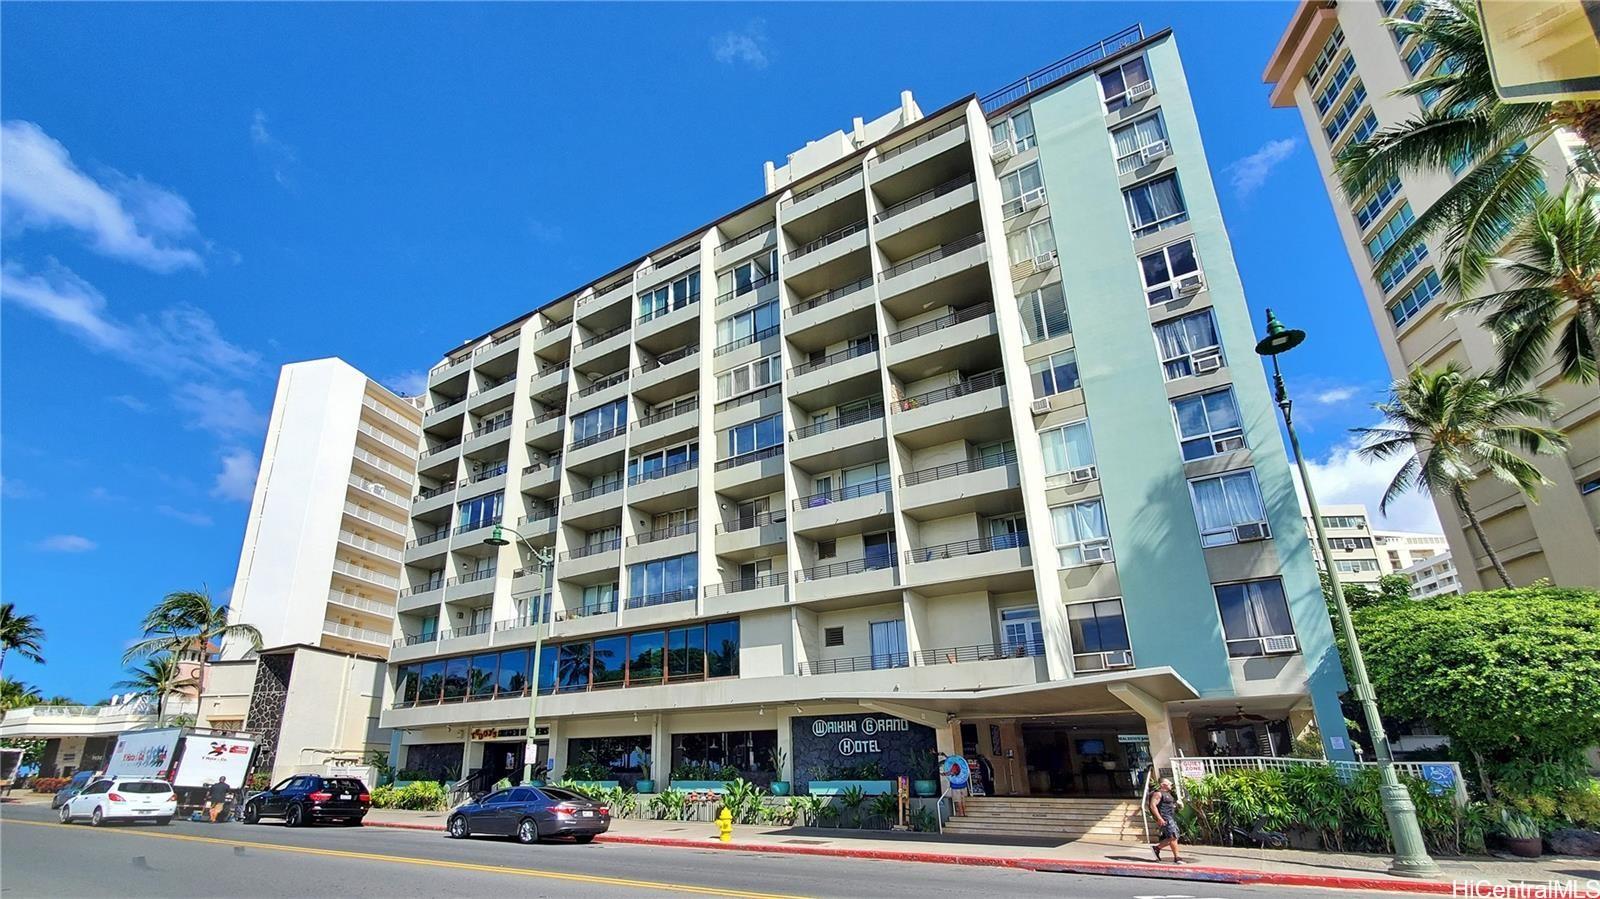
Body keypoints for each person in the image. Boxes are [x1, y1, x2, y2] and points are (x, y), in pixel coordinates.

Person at [1149, 777, 1184, 863]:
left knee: (1174, 836)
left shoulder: (1168, 794)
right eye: (1169, 784)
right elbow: (1152, 806)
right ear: (1162, 785)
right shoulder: (1158, 793)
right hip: (1165, 817)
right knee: (1172, 837)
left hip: (1170, 817)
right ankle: (1177, 857)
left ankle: (1157, 848)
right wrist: (1159, 818)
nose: (1171, 785)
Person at [938, 752, 971, 816]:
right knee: (963, 799)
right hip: (963, 784)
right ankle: (964, 812)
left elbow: (951, 772)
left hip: (956, 786)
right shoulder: (961, 766)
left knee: (958, 800)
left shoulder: (953, 766)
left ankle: (961, 813)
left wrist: (943, 774)